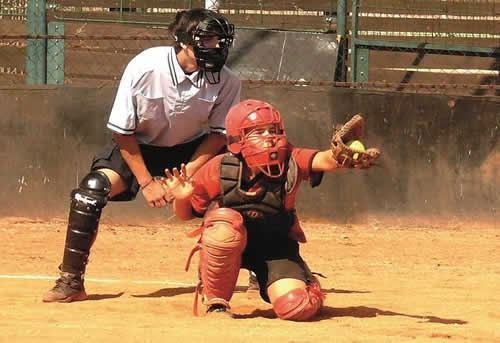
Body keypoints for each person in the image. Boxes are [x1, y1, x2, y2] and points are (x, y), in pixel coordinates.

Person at [43, 8, 241, 303]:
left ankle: (240, 273)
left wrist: (186, 174)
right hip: (138, 147)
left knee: (235, 182)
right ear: (184, 40)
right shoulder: (146, 67)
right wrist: (147, 183)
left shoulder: (227, 80)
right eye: (209, 39)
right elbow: (122, 132)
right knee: (91, 191)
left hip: (190, 149)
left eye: (221, 40)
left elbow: (218, 135)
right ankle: (71, 281)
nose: (218, 47)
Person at [163, 99, 381, 320]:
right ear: (238, 139)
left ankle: (301, 283)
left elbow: (322, 159)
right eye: (258, 132)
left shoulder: (290, 159)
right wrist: (182, 198)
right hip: (230, 245)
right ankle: (217, 303)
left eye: (273, 130)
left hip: (275, 246)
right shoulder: (219, 168)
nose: (269, 137)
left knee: (297, 308)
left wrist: (342, 157)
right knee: (223, 228)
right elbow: (185, 214)